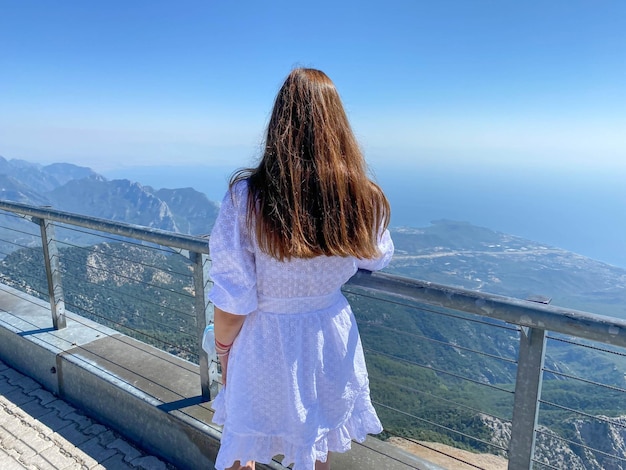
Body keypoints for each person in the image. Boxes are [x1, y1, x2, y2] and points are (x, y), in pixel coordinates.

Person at [208, 67, 394, 470]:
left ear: (279, 123)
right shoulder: (363, 196)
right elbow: (376, 257)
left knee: (244, 445)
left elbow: (232, 298)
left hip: (263, 337)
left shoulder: (248, 197)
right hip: (329, 335)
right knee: (315, 447)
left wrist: (222, 349)